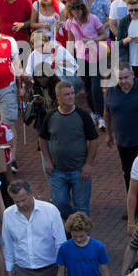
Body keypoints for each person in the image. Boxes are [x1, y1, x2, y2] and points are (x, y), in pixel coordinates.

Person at [38, 80, 99, 218]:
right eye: (67, 94)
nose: (71, 97)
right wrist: (47, 160)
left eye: (72, 93)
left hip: (79, 171)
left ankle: (82, 236)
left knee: (82, 206)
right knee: (59, 203)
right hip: (57, 171)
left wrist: (88, 165)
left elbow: (94, 140)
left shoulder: (83, 115)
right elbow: (42, 139)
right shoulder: (51, 115)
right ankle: (74, 223)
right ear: (57, 96)